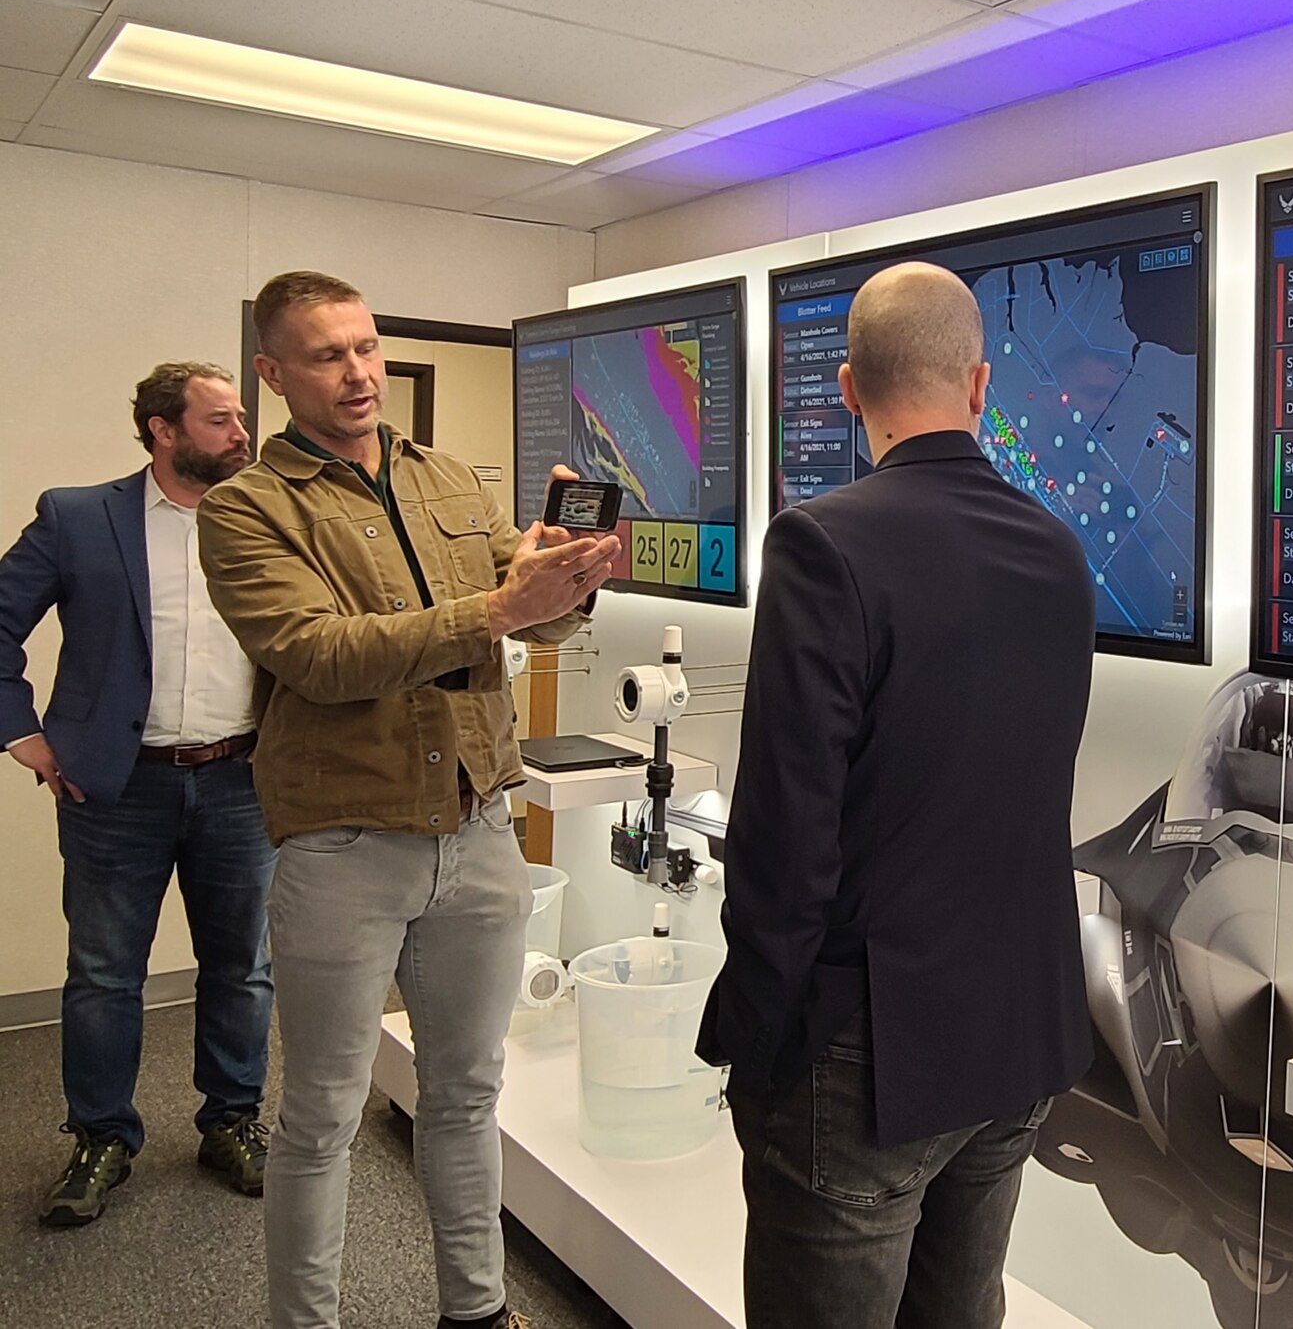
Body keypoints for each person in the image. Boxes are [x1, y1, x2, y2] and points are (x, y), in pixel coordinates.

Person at [197, 271, 618, 1329]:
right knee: (322, 1115)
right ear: (273, 371)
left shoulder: (447, 482)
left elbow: (529, 625)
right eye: (328, 355)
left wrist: (564, 583)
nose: (358, 373)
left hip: (477, 829)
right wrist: (496, 605)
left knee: (467, 1096)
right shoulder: (250, 507)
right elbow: (317, 655)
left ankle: (474, 1311)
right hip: (343, 844)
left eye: (367, 348)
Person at [698, 262, 1098, 1329]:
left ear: (844, 387)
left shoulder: (822, 543)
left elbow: (787, 831)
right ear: (979, 386)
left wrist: (758, 1039)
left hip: (867, 1047)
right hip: (1018, 1030)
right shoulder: (1059, 552)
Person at [0, 362, 274, 1228]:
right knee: (104, 976)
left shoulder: (271, 518)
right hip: (114, 787)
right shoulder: (77, 516)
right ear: (162, 429)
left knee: (242, 967)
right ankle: (101, 1138)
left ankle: (230, 1120)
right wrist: (24, 734)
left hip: (241, 779)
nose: (241, 434)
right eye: (221, 420)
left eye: (241, 418)